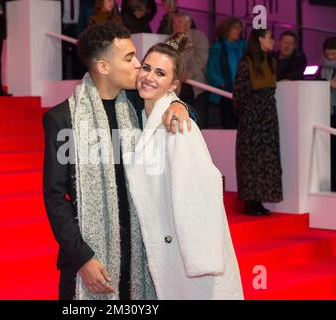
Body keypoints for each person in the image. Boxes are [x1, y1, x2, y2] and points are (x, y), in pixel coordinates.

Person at [42, 21, 195, 300]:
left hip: (142, 254)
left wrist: (177, 104)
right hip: (88, 261)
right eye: (129, 58)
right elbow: (54, 197)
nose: (138, 64)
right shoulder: (63, 119)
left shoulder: (140, 105)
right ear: (103, 67)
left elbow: (184, 115)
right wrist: (83, 257)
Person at [123, 32, 243, 299]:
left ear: (173, 85)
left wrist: (201, 255)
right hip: (159, 244)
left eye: (160, 73)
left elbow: (199, 187)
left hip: (183, 248)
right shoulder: (138, 112)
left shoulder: (178, 124)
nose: (149, 77)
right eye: (146, 68)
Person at [233, 28, 283, 216]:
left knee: (267, 160)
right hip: (252, 118)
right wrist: (248, 116)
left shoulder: (272, 62)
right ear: (260, 40)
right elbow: (239, 95)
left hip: (268, 116)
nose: (273, 41)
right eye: (270, 37)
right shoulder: (246, 64)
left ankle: (259, 200)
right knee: (251, 160)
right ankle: (250, 202)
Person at [207, 17, 246, 129]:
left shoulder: (243, 46)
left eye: (239, 28)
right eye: (235, 28)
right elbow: (211, 70)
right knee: (227, 125)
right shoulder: (217, 47)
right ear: (226, 30)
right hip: (224, 93)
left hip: (241, 93)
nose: (238, 31)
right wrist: (221, 82)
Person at [173, 12, 209, 128]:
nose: (175, 25)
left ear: (188, 24)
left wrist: (188, 73)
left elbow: (201, 57)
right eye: (174, 22)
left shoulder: (199, 37)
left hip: (196, 86)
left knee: (198, 120)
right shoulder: (170, 39)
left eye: (179, 22)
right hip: (178, 86)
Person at [318, 36, 336, 191]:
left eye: (333, 54)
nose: (330, 57)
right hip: (325, 110)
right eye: (327, 54)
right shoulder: (322, 67)